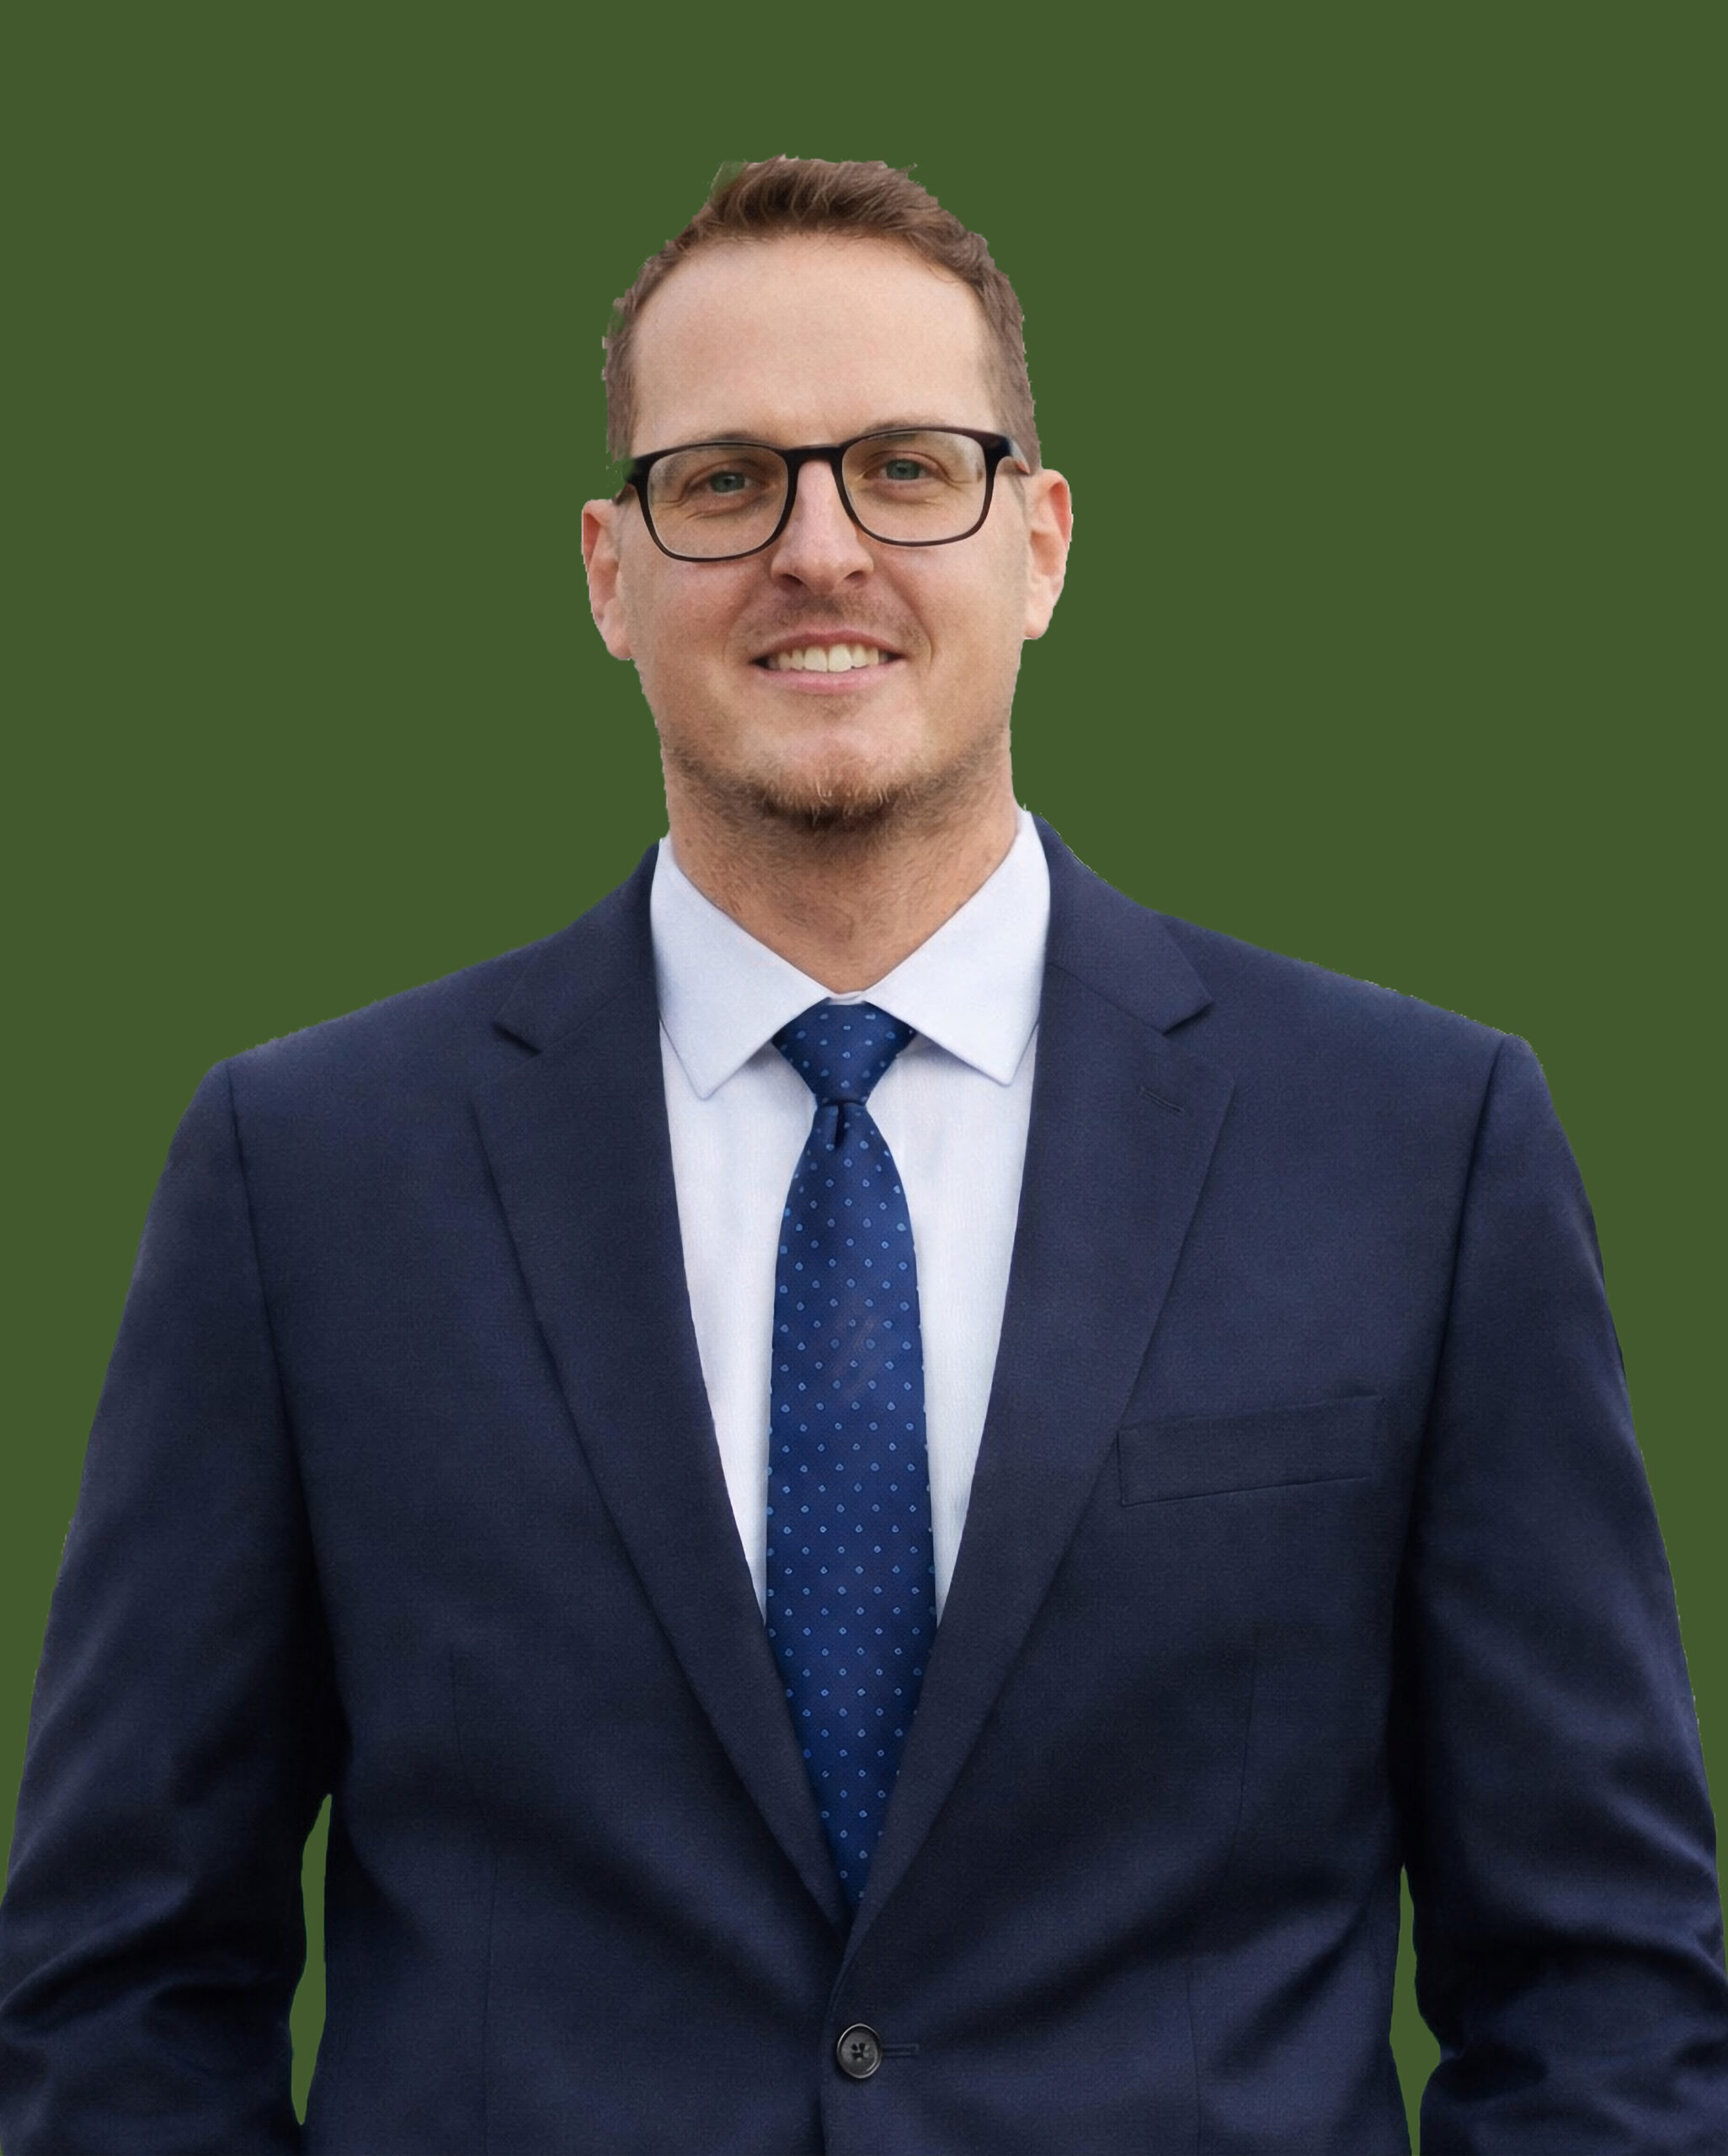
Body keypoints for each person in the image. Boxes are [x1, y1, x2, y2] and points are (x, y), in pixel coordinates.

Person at [0, 155, 1723, 2156]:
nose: (818, 549)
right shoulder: (306, 1178)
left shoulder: (1417, 1147)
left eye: (910, 468)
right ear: (608, 571)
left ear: (1042, 540)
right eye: (725, 480)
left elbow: (1601, 1984)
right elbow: (124, 1982)